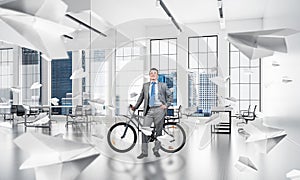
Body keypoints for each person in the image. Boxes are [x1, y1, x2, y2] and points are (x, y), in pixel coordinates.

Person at [131, 68, 172, 159]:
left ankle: (156, 150)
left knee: (159, 131)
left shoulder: (163, 85)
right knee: (144, 130)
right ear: (149, 75)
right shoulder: (145, 85)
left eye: (155, 73)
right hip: (149, 110)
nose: (153, 74)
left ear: (157, 76)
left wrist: (166, 105)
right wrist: (135, 107)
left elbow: (170, 96)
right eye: (151, 73)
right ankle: (144, 152)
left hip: (160, 110)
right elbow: (141, 98)